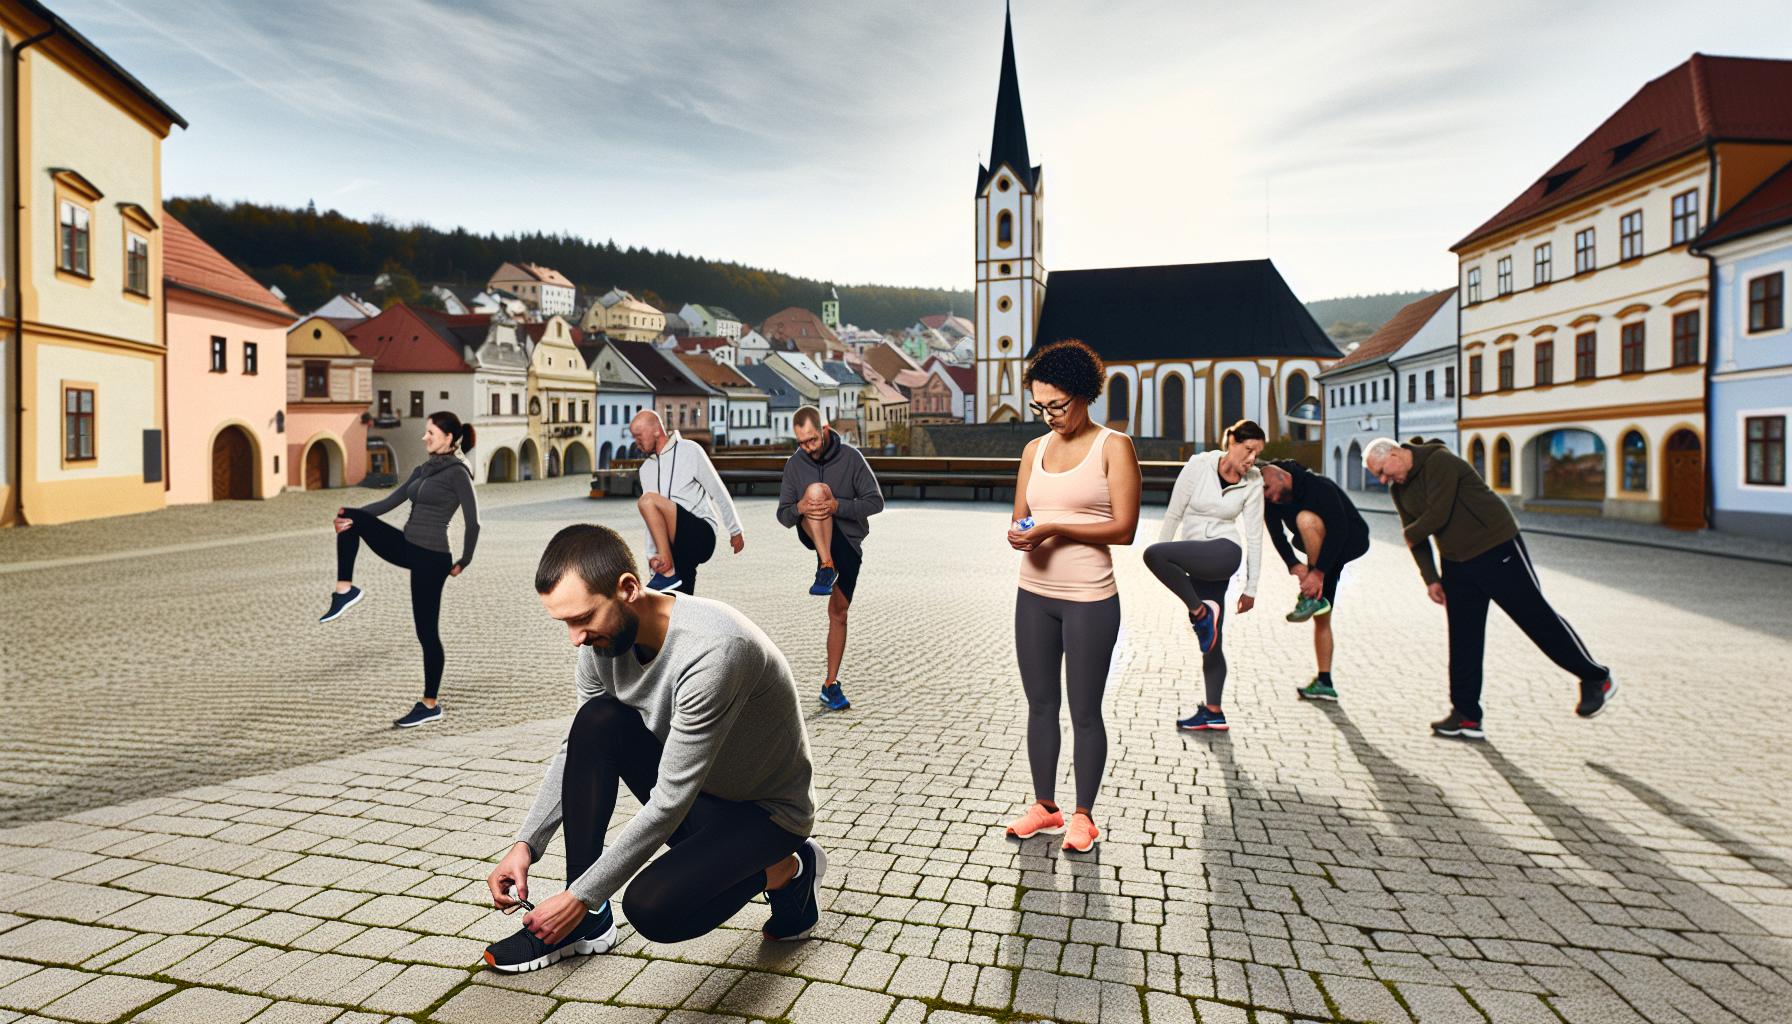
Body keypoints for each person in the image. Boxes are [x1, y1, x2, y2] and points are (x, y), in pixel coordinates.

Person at [483, 523, 824, 973]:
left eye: (582, 618)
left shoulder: (716, 650)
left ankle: (789, 870)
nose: (575, 638)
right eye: (565, 622)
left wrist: (580, 895)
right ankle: (587, 923)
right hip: (701, 796)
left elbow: (667, 804)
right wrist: (527, 843)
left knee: (652, 910)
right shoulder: (601, 643)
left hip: (767, 814)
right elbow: (578, 748)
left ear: (628, 588)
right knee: (596, 720)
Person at [1364, 437, 1617, 740]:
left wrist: (1409, 533)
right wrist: (1430, 578)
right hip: (1456, 562)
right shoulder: (1398, 489)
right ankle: (1467, 715)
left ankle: (1596, 678)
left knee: (1537, 618)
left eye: (1382, 470)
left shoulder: (1439, 461)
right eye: (1377, 476)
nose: (1383, 479)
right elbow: (1415, 538)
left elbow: (1437, 513)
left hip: (1496, 547)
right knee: (1464, 638)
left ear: (1394, 453)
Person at [1003, 340, 1141, 855]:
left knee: (1085, 711)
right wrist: (1020, 532)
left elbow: (1124, 528)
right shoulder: (1033, 451)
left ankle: (1084, 815)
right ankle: (1046, 807)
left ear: (1084, 395)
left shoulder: (1113, 446)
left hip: (1089, 598)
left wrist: (1056, 526)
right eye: (1040, 407)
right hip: (1033, 593)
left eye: (1057, 405)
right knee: (1040, 704)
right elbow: (1022, 516)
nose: (1049, 415)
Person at [320, 410, 479, 728]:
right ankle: (345, 589)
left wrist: (465, 559)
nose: (424, 437)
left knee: (426, 633)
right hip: (408, 546)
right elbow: (388, 502)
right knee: (347, 513)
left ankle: (430, 704)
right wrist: (353, 519)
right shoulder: (424, 469)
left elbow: (473, 521)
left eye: (430, 433)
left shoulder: (458, 473)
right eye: (426, 431)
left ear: (448, 439)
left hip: (433, 558)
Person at [1142, 420, 1266, 733]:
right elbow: (1174, 512)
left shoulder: (1253, 481)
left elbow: (1254, 536)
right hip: (1195, 558)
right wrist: (1167, 562)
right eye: (1248, 450)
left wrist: (1250, 588)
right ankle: (1213, 712)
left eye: (1258, 453)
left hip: (1225, 552)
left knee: (1153, 555)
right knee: (1211, 641)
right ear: (1232, 441)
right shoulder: (1198, 465)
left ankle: (1200, 612)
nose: (1252, 459)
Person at [775, 406, 884, 712]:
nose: (806, 448)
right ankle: (825, 565)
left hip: (847, 541)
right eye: (800, 443)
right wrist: (802, 506)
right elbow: (783, 515)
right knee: (814, 490)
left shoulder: (851, 458)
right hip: (813, 534)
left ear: (824, 430)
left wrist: (838, 506)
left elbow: (876, 502)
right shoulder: (795, 465)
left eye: (811, 440)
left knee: (839, 612)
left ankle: (830, 684)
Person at [1259, 459, 1371, 702]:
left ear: (1281, 476)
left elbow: (1339, 529)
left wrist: (1317, 573)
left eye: (1267, 489)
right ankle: (1324, 681)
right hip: (1319, 549)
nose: (1267, 497)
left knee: (1305, 519)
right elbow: (1277, 536)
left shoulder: (1319, 486)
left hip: (1351, 539)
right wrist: (1295, 566)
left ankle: (1312, 594)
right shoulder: (1269, 497)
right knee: (1322, 614)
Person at [630, 410, 744, 594]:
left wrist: (735, 529)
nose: (636, 442)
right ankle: (669, 579)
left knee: (647, 501)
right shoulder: (646, 469)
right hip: (675, 543)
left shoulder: (689, 450)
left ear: (657, 430)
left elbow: (718, 490)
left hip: (700, 533)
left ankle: (667, 572)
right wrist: (652, 558)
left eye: (638, 436)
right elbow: (651, 521)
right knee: (676, 600)